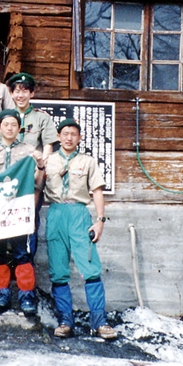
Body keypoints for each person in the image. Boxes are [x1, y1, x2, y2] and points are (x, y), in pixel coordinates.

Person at [43, 118, 116, 340]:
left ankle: (99, 322)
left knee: (90, 267)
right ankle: (65, 321)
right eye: (65, 133)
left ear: (79, 137)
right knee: (58, 270)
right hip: (55, 213)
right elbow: (37, 187)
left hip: (78, 215)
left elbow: (97, 191)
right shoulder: (48, 161)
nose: (69, 137)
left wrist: (100, 220)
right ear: (58, 136)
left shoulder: (87, 161)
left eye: (73, 134)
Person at [0, 72, 59, 259]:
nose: (20, 95)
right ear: (11, 94)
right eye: (16, 91)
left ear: (32, 94)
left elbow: (48, 147)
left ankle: (26, 266)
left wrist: (40, 169)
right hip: (3, 184)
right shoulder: (3, 119)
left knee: (27, 224)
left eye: (25, 91)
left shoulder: (41, 118)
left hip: (30, 181)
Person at [0, 109, 44, 315]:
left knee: (22, 254)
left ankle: (26, 297)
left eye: (14, 125)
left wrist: (41, 165)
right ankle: (1, 294)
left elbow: (37, 182)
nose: (10, 128)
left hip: (20, 210)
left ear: (19, 128)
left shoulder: (30, 151)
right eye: (5, 124)